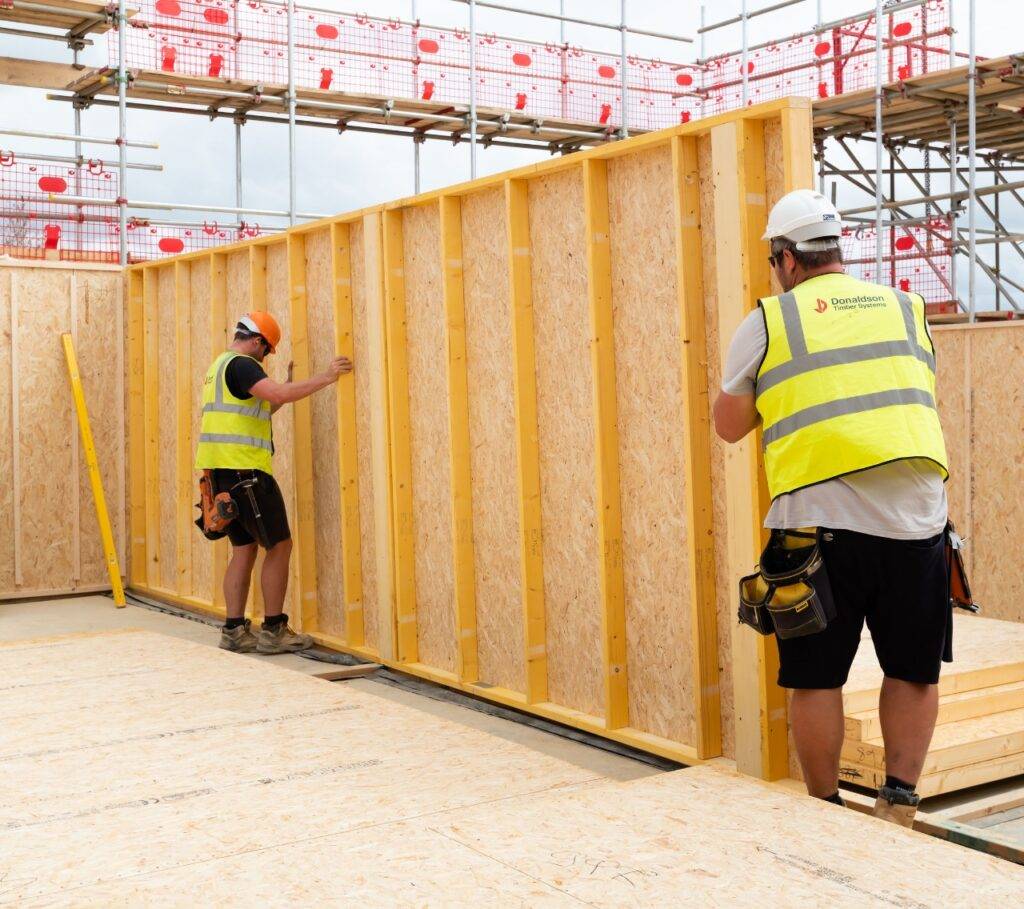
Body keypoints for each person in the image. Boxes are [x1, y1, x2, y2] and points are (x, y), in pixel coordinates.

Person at [713, 189, 950, 827]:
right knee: (912, 666)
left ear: (785, 258)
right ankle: (898, 801)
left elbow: (729, 426)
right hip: (916, 520)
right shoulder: (907, 307)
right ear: (837, 251)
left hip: (817, 525)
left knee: (817, 676)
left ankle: (826, 812)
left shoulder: (771, 320)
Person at [194, 311, 352, 655]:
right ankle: (274, 630)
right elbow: (277, 395)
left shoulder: (218, 367)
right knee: (279, 546)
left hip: (220, 476)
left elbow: (260, 409)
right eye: (267, 351)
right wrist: (326, 377)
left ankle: (234, 631)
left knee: (243, 548)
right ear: (258, 341)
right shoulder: (244, 364)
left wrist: (289, 387)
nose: (265, 358)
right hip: (246, 474)